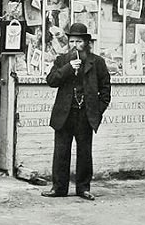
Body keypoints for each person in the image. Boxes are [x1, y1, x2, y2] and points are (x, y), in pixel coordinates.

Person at [42, 23, 112, 200]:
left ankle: (83, 188)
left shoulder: (97, 62)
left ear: (86, 43)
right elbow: (51, 80)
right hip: (64, 113)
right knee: (61, 152)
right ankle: (59, 188)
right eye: (72, 41)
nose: (75, 45)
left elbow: (105, 90)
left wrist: (97, 110)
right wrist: (68, 68)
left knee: (84, 152)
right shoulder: (62, 60)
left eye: (79, 41)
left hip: (85, 114)